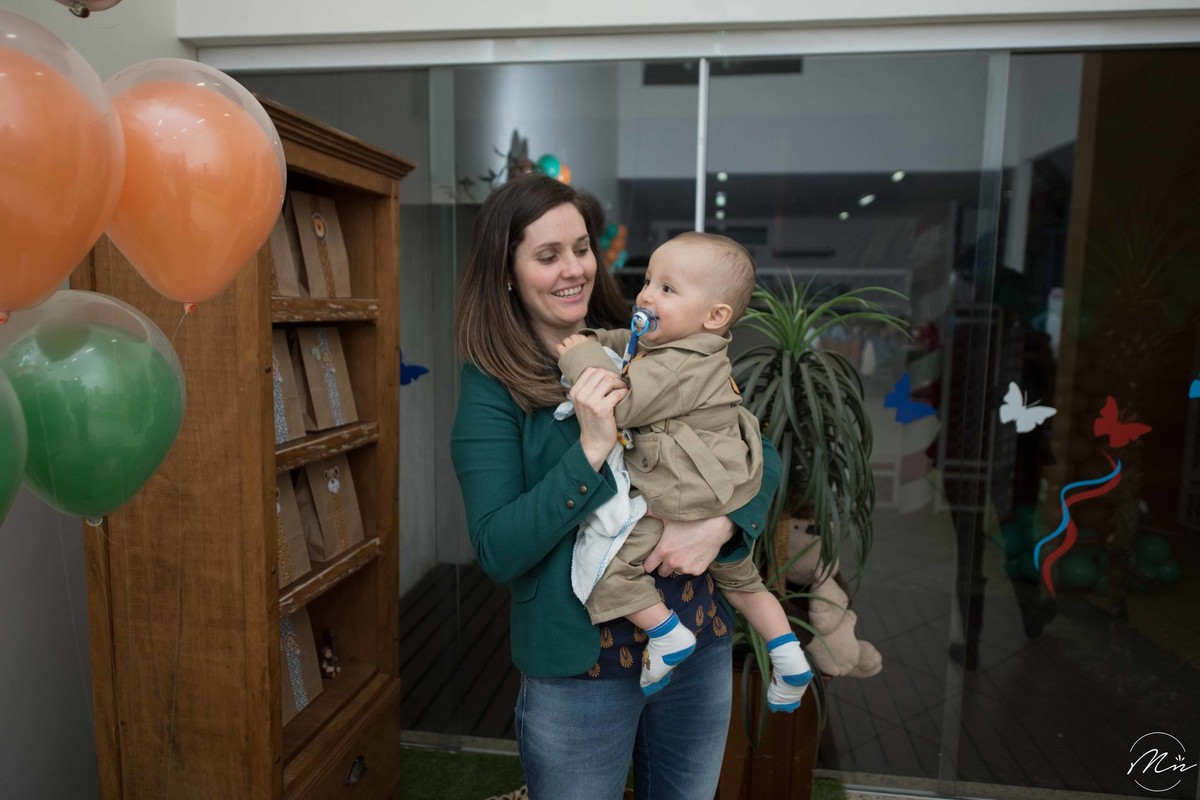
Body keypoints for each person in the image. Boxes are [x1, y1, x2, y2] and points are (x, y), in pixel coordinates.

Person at [451, 174, 782, 800]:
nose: (573, 268)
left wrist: (722, 525)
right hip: (582, 669)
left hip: (699, 642)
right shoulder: (492, 386)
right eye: (547, 256)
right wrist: (593, 449)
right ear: (507, 272)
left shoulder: (644, 337)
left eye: (581, 247)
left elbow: (760, 450)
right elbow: (497, 548)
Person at [554, 231, 812, 708]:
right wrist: (595, 340)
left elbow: (620, 404)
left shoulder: (677, 366)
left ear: (715, 316)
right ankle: (790, 657)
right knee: (740, 577)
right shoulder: (688, 348)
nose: (648, 294)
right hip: (719, 488)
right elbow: (628, 346)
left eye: (668, 289)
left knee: (607, 568)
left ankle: (666, 635)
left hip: (681, 493)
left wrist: (575, 355)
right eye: (649, 281)